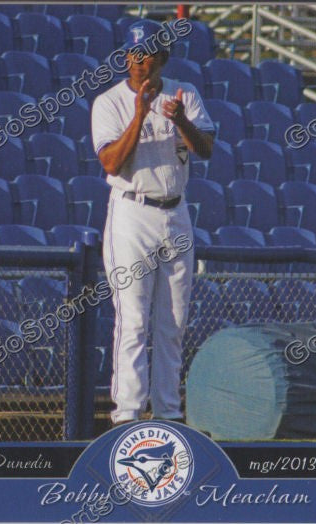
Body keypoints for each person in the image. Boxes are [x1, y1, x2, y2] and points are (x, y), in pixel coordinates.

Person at [92, 19, 214, 425]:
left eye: (146, 55)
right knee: (133, 318)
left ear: (162, 58)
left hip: (176, 212)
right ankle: (125, 417)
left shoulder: (186, 94)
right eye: (132, 54)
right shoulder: (109, 102)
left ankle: (167, 415)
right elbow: (110, 161)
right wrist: (140, 114)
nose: (138, 62)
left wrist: (180, 119)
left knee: (173, 323)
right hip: (132, 212)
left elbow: (207, 149)